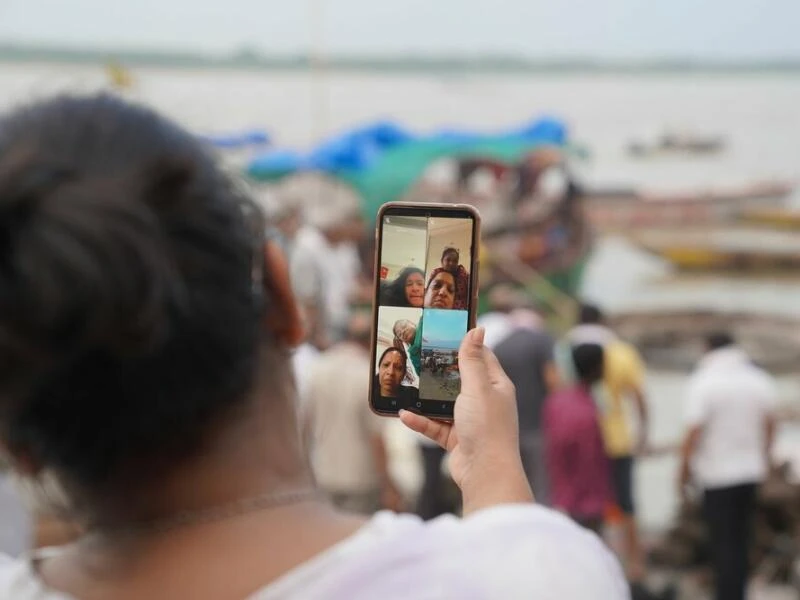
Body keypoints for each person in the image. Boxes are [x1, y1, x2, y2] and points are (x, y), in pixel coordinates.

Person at [0, 94, 628, 599]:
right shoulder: (531, 572)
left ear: (15, 438)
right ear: (282, 296)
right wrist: (493, 470)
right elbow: (520, 564)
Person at [678, 332, 778, 600]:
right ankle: (737, 592)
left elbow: (693, 433)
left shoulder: (704, 381)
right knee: (742, 539)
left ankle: (728, 594)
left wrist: (682, 474)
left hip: (717, 475)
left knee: (722, 543)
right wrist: (764, 456)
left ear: (707, 348)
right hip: (750, 472)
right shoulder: (758, 379)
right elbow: (770, 423)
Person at [556, 302, 649, 581]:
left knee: (578, 502)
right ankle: (634, 566)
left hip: (576, 438)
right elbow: (639, 397)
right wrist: (643, 434)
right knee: (626, 504)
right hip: (616, 439)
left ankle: (577, 561)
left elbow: (558, 393)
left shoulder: (563, 350)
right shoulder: (622, 352)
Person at [302, 313, 403, 515]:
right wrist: (388, 484)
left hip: (323, 473)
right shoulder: (369, 375)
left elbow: (305, 425)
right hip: (360, 479)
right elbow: (376, 437)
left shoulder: (318, 368)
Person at [543, 344, 612, 533]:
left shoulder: (556, 401)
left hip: (560, 496)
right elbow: (589, 464)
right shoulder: (587, 413)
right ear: (597, 367)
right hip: (583, 505)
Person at [493, 309, 559, 504]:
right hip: (539, 425)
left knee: (514, 482)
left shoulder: (500, 346)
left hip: (509, 428)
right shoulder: (542, 341)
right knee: (541, 484)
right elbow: (552, 380)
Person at [289, 193, 364, 350]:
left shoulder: (346, 247)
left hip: (342, 325)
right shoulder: (307, 247)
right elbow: (307, 299)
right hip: (319, 335)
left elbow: (350, 287)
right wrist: (318, 337)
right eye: (353, 221)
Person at [392, 319, 420, 387]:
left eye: (404, 326)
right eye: (400, 334)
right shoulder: (412, 355)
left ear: (413, 323)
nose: (403, 331)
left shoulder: (423, 326)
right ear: (402, 340)